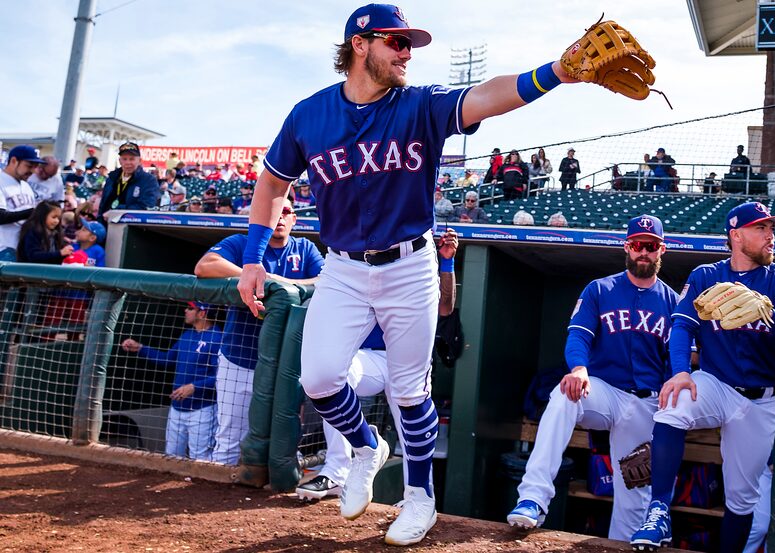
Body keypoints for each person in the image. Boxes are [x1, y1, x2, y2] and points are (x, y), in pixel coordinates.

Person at [236, 4, 580, 545]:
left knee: (409, 390)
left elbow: (488, 94)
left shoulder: (419, 104)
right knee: (319, 377)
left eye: (409, 43)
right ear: (359, 45)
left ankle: (420, 497)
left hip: (409, 263)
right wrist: (254, 257)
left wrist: (556, 72)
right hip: (344, 267)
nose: (407, 51)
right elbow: (272, 184)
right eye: (395, 41)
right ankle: (368, 446)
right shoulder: (308, 114)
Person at [630, 202, 775, 552]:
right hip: (716, 384)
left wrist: (770, 314)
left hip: (764, 400)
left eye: (771, 228)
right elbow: (682, 325)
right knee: (673, 405)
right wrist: (682, 371)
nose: (770, 236)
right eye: (761, 228)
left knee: (742, 500)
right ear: (736, 235)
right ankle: (658, 512)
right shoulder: (705, 275)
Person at [509, 215, 678, 540]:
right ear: (626, 247)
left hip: (647, 405)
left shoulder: (673, 302)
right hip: (604, 392)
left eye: (651, 246)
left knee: (634, 500)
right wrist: (579, 368)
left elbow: (679, 358)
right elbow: (579, 335)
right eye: (638, 245)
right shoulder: (600, 289)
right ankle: (533, 497)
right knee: (563, 396)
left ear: (662, 250)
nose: (644, 252)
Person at [296, 228, 459, 501]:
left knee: (412, 411)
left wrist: (448, 261)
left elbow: (446, 308)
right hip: (368, 356)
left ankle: (417, 497)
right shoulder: (354, 256)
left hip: (403, 358)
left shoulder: (417, 253)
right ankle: (337, 470)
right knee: (332, 378)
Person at [195, 198, 324, 465]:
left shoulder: (304, 248)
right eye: (273, 211)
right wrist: (251, 275)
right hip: (239, 359)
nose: (279, 217)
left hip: (286, 365)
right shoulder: (242, 244)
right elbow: (205, 266)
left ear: (293, 219)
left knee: (284, 442)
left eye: (285, 212)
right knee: (229, 441)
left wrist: (282, 283)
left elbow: (326, 279)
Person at [121, 302, 222, 461]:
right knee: (172, 456)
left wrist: (194, 387)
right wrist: (140, 348)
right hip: (177, 408)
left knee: (201, 458)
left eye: (190, 308)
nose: (185, 310)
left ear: (202, 313)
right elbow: (167, 359)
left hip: (202, 409)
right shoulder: (187, 335)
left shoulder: (217, 338)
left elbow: (222, 377)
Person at [99, 142, 160, 221]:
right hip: (106, 223)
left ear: (139, 160)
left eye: (132, 159)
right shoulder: (112, 178)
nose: (128, 162)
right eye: (124, 159)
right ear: (120, 161)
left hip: (131, 227)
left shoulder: (149, 180)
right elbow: (103, 205)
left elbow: (147, 206)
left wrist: (117, 212)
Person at [0, 145, 41, 260]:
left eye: (35, 167)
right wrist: (33, 212)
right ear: (14, 161)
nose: (33, 171)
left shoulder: (26, 186)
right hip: (3, 248)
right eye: (29, 166)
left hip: (22, 248)